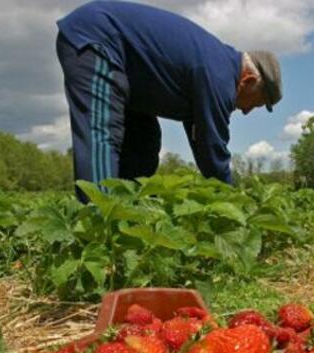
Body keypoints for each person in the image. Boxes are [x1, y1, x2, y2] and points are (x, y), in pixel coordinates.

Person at [56, 0, 282, 202]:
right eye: (256, 103)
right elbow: (212, 150)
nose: (247, 111)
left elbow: (202, 141)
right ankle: (98, 222)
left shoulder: (218, 69)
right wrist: (232, 202)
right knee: (103, 131)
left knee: (144, 142)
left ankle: (128, 214)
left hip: (132, 74)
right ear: (248, 80)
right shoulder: (221, 76)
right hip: (98, 39)